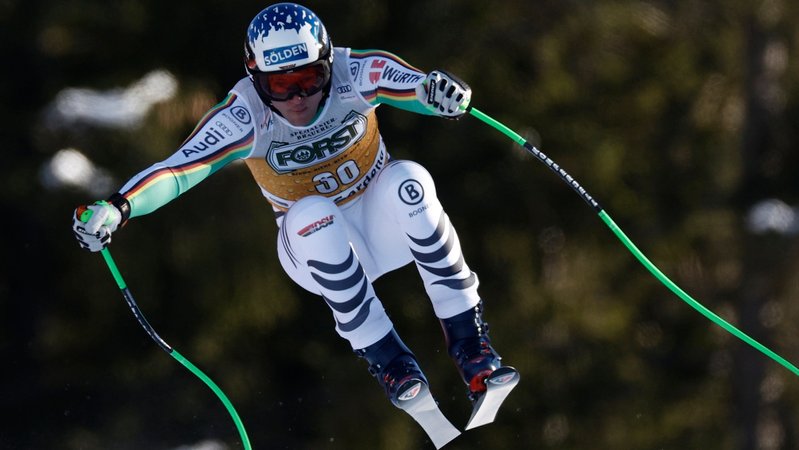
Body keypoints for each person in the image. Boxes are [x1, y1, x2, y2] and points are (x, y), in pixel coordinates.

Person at [72, 1, 518, 432]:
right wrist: (119, 206)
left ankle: (472, 349)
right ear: (255, 77)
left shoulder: (354, 71)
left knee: (410, 181)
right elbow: (178, 170)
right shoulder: (244, 113)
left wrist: (441, 94)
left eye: (309, 77)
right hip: (314, 250)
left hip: (386, 229)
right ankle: (392, 364)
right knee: (313, 213)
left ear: (328, 62)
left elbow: (416, 87)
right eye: (281, 86)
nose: (299, 96)